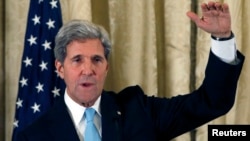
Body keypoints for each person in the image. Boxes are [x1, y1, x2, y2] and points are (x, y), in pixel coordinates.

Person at [17, 1, 244, 141]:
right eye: (77, 60)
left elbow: (211, 102)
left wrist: (222, 38)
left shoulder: (138, 110)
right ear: (60, 68)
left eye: (97, 59)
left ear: (106, 66)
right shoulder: (34, 135)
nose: (88, 69)